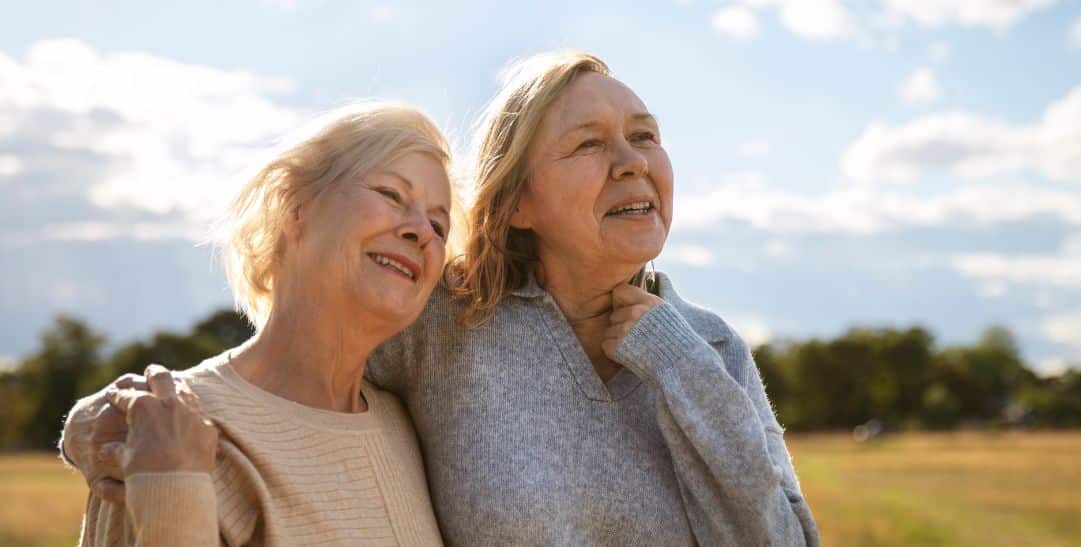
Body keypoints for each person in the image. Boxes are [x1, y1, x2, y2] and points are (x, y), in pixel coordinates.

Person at [65, 51, 821, 546]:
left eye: (645, 136)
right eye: (590, 143)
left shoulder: (708, 347)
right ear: (519, 199)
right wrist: (108, 419)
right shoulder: (452, 324)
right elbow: (305, 347)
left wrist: (681, 368)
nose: (631, 163)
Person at [71, 103, 454, 546]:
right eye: (391, 194)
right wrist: (168, 485)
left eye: (439, 226)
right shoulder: (169, 428)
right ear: (296, 209)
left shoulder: (411, 427)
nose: (420, 231)